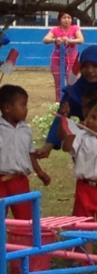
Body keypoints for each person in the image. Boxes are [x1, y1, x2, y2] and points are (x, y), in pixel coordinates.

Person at [0, 85, 51, 219]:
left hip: (20, 180)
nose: (26, 109)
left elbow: (29, 153)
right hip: (1, 180)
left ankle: (24, 239)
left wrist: (40, 172)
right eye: (23, 105)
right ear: (7, 108)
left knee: (25, 217)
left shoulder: (26, 129)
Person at [42, 10, 84, 100]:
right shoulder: (55, 29)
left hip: (73, 60)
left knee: (73, 82)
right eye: (64, 17)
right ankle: (59, 103)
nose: (66, 20)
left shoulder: (75, 28)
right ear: (59, 19)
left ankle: (73, 102)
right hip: (57, 60)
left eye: (69, 18)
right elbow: (45, 39)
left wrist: (69, 40)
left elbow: (81, 40)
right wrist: (55, 39)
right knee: (58, 84)